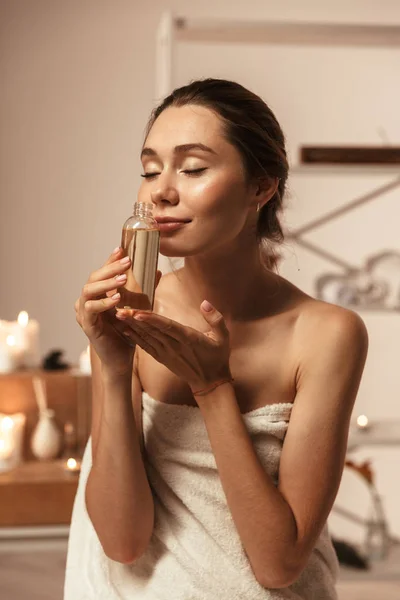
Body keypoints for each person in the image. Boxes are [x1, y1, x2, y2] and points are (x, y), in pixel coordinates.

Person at [65, 78, 368, 599]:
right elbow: (121, 541)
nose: (160, 190)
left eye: (194, 168)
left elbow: (278, 565)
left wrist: (213, 386)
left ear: (261, 187)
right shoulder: (133, 313)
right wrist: (112, 364)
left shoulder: (325, 333)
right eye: (150, 169)